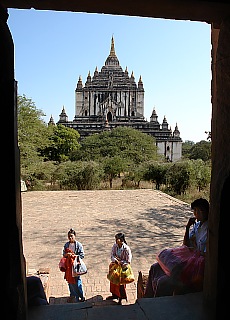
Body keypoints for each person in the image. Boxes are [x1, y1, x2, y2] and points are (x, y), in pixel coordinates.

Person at [144, 198, 209, 298]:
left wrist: (196, 251)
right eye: (194, 210)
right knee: (155, 267)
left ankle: (160, 301)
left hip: (198, 261)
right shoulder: (197, 226)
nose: (196, 213)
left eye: (198, 210)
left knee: (165, 280)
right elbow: (186, 244)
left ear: (204, 211)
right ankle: (147, 297)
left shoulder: (209, 228)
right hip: (191, 255)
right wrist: (187, 228)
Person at [106, 232, 132, 305]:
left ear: (122, 240)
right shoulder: (115, 246)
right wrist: (115, 260)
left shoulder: (126, 249)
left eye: (118, 239)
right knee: (113, 281)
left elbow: (128, 261)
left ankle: (121, 298)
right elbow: (112, 255)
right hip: (115, 266)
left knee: (121, 284)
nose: (116, 241)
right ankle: (114, 295)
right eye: (116, 239)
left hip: (122, 268)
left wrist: (121, 263)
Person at [62, 228, 86, 303]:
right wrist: (67, 255)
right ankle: (72, 295)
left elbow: (82, 255)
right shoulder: (66, 245)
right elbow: (63, 255)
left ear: (75, 236)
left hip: (75, 266)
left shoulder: (78, 245)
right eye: (69, 236)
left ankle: (81, 296)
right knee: (70, 281)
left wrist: (73, 256)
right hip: (69, 266)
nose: (70, 238)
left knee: (77, 281)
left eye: (72, 236)